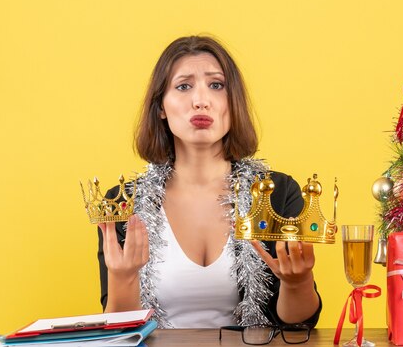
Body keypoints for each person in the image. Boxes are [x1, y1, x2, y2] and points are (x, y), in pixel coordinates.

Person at [97, 35, 321, 329]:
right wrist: (122, 278)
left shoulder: (276, 194)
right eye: (183, 86)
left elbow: (298, 324)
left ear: (233, 102)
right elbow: (119, 332)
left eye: (216, 85)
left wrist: (297, 282)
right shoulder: (123, 203)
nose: (201, 101)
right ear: (161, 107)